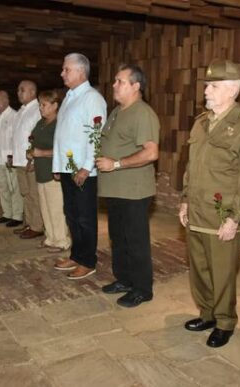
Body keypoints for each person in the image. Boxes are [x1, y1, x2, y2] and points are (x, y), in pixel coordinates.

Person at [178, 59, 240, 347]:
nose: (206, 91)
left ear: (233, 90)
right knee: (199, 267)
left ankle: (225, 321)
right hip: (198, 209)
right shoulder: (201, 123)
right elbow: (191, 166)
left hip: (223, 213)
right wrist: (185, 199)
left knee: (222, 271)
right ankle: (207, 313)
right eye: (207, 85)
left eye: (213, 86)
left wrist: (235, 217)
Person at [96, 64, 160, 308]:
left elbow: (151, 153)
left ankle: (142, 289)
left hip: (133, 191)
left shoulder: (142, 113)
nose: (114, 85)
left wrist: (117, 164)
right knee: (118, 238)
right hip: (115, 189)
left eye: (120, 81)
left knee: (136, 241)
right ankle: (124, 279)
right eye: (115, 81)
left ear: (136, 86)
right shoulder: (117, 112)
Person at [52, 53, 107, 280]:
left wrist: (86, 167)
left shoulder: (92, 98)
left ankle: (88, 261)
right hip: (67, 167)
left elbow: (97, 135)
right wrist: (58, 164)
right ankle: (76, 255)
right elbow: (62, 134)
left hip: (83, 169)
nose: (62, 73)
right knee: (72, 214)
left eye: (66, 69)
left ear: (81, 72)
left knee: (85, 216)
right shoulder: (68, 97)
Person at [30, 90, 71, 253]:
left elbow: (65, 148)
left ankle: (62, 241)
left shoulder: (60, 124)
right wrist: (31, 156)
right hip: (41, 170)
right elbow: (33, 141)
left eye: (44, 105)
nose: (41, 108)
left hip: (54, 172)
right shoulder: (41, 123)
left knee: (56, 208)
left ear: (55, 106)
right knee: (45, 207)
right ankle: (50, 238)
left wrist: (42, 153)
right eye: (40, 104)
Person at [11, 80, 43, 239]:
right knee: (25, 193)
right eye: (18, 90)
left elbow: (36, 137)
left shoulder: (37, 110)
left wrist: (34, 160)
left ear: (32, 92)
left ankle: (37, 226)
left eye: (22, 90)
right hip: (19, 160)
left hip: (30, 161)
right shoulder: (21, 111)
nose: (18, 93)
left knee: (33, 195)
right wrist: (11, 155)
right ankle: (29, 223)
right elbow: (16, 137)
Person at [0, 90, 23, 228]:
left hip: (10, 159)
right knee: (2, 187)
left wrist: (13, 156)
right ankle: (7, 213)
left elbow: (17, 139)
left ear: (7, 100)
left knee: (14, 188)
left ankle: (17, 216)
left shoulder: (15, 116)